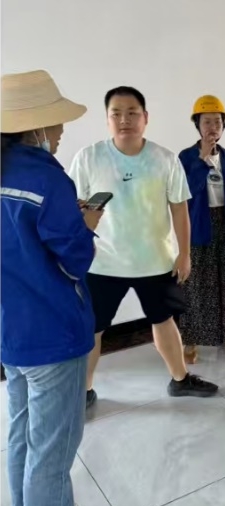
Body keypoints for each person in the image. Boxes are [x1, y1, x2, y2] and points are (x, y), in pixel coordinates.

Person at [68, 86, 219, 408]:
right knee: (92, 329)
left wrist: (184, 253)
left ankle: (180, 379)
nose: (125, 120)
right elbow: (75, 208)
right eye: (116, 113)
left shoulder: (164, 159)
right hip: (103, 263)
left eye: (132, 113)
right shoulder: (88, 158)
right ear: (107, 119)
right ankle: (82, 392)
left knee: (164, 321)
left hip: (155, 261)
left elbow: (179, 207)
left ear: (145, 118)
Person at [1, 69, 103, 506]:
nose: (61, 132)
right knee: (51, 455)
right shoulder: (47, 179)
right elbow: (74, 260)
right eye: (57, 122)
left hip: (11, 335)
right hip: (53, 336)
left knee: (22, 436)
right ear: (37, 127)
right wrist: (86, 225)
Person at [177, 95, 225, 364]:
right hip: (199, 226)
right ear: (197, 125)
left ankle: (224, 333)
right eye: (207, 122)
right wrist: (202, 159)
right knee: (197, 286)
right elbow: (186, 192)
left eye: (217, 122)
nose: (212, 127)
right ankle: (190, 341)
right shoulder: (186, 157)